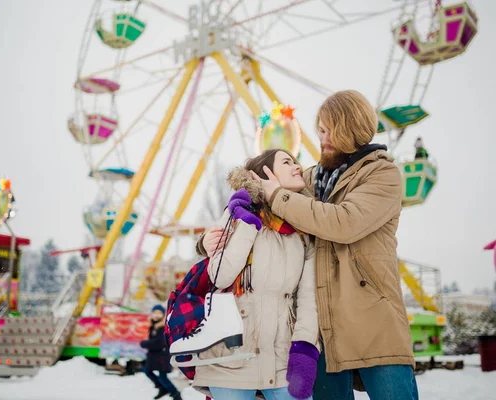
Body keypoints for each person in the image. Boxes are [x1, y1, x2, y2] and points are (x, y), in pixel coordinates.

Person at [201, 90, 418, 400]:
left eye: (327, 129)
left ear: (349, 127)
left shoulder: (382, 175)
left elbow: (344, 223)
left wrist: (277, 195)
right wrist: (209, 240)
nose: (321, 138)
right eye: (320, 129)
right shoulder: (311, 179)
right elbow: (259, 209)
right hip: (322, 328)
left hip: (371, 321)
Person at [192, 149, 319, 400]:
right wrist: (248, 225)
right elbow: (220, 276)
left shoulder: (305, 229)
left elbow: (308, 299)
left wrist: (305, 349)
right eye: (287, 162)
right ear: (264, 173)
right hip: (231, 357)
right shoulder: (237, 213)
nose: (297, 167)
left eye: (296, 162)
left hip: (282, 358)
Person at [140, 305, 182, 400]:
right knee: (148, 371)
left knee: (162, 376)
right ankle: (163, 388)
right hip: (155, 355)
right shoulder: (153, 326)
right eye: (155, 312)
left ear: (163, 315)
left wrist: (145, 343)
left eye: (159, 313)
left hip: (162, 355)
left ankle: (175, 394)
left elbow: (159, 342)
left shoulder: (163, 326)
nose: (156, 315)